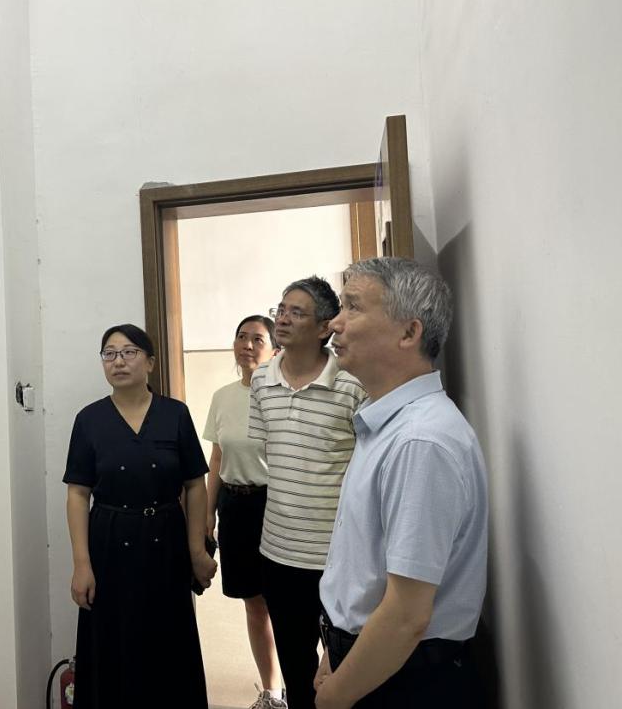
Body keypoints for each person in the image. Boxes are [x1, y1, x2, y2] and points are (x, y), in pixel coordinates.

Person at [314, 257, 488, 709]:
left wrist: (336, 695)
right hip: (372, 660)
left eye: (353, 306)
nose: (334, 323)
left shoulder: (420, 441)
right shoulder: (388, 423)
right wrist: (335, 649)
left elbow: (407, 615)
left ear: (409, 333)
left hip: (404, 677)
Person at [64, 323, 218, 709]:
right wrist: (81, 564)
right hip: (108, 543)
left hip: (166, 540)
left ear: (149, 362)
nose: (118, 361)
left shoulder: (174, 415)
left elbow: (195, 485)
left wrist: (197, 550)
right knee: (112, 643)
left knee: (168, 641)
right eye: (110, 354)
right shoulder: (89, 420)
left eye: (129, 352)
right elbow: (78, 494)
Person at [249, 276, 367, 709]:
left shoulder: (353, 383)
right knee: (297, 670)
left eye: (296, 312)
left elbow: (368, 465)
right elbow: (270, 453)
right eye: (280, 309)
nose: (282, 319)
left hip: (339, 556)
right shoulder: (261, 381)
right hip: (278, 553)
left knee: (345, 669)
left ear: (323, 328)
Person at [203, 315, 284, 709]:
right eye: (241, 337)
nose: (247, 345)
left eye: (257, 339)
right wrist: (208, 513)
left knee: (288, 601)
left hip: (277, 505)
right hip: (234, 506)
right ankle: (272, 692)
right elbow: (217, 456)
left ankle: (311, 686)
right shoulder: (223, 397)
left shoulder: (284, 396)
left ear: (275, 350)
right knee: (253, 603)